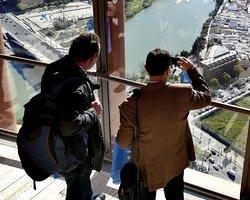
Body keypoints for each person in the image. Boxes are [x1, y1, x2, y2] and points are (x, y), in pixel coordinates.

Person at [116, 48, 211, 200]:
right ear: (168, 71)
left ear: (146, 69)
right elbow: (206, 97)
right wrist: (191, 69)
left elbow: (123, 142)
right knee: (175, 196)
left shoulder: (131, 104)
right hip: (175, 161)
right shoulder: (182, 93)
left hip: (145, 167)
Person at [41, 32, 106, 200]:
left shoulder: (53, 69)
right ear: (93, 58)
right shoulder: (78, 86)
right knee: (80, 183)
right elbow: (69, 125)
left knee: (73, 184)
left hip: (53, 143)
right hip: (74, 150)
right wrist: (94, 112)